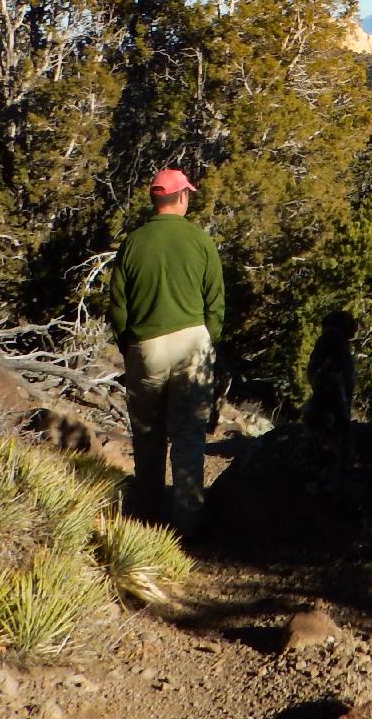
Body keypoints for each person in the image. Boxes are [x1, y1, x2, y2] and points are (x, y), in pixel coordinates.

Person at [106, 167, 224, 534]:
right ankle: (187, 521)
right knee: (188, 433)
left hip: (146, 346)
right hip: (192, 343)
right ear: (183, 197)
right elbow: (215, 303)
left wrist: (130, 345)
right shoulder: (201, 242)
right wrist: (208, 343)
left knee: (147, 433)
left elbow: (118, 305)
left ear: (155, 199)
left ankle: (147, 519)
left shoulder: (133, 243)